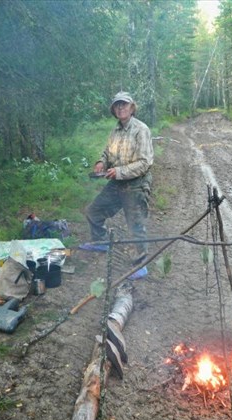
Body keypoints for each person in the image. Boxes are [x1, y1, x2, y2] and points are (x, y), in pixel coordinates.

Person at [79, 92, 153, 280]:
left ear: (131, 107)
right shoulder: (116, 130)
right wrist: (101, 162)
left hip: (135, 184)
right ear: (114, 109)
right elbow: (107, 152)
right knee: (93, 211)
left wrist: (119, 171)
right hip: (116, 182)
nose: (120, 108)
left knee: (135, 225)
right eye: (117, 105)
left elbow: (145, 163)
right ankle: (101, 241)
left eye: (124, 104)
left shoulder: (140, 130)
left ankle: (141, 265)